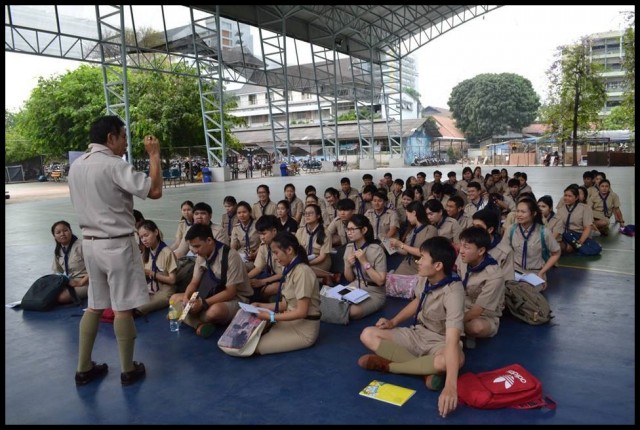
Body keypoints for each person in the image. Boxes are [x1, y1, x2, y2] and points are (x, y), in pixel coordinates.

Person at [68, 116, 162, 386]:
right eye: (123, 136)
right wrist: (154, 156)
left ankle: (83, 367)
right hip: (117, 244)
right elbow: (154, 191)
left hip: (90, 243)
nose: (124, 143)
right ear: (111, 138)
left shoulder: (76, 166)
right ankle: (128, 368)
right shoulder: (113, 165)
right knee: (122, 307)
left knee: (94, 305)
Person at [358, 236, 465, 418]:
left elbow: (453, 340)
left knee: (446, 362)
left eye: (423, 257)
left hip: (439, 341)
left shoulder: (454, 292)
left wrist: (450, 387)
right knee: (367, 334)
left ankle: (390, 367)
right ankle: (424, 373)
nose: (418, 261)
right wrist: (393, 322)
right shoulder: (426, 278)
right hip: (417, 333)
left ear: (438, 265)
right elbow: (418, 301)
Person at [170, 223, 253, 338]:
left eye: (197, 246)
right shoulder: (201, 255)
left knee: (214, 312)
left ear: (209, 240)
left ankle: (188, 317)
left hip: (235, 298)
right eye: (192, 247)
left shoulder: (230, 256)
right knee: (174, 298)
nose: (194, 251)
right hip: (211, 292)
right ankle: (198, 323)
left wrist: (203, 304)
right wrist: (186, 298)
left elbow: (230, 292)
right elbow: (194, 282)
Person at [251, 231, 321, 355]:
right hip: (289, 321)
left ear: (289, 250)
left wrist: (271, 317)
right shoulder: (290, 268)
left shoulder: (302, 272)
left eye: (276, 253)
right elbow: (284, 305)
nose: (275, 257)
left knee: (253, 348)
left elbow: (301, 312)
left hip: (302, 330)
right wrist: (260, 305)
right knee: (247, 339)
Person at [455, 226, 505, 349]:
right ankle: (459, 333)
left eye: (466, 247)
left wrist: (452, 322)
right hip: (460, 306)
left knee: (477, 328)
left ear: (481, 251)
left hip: (483, 314)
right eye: (461, 245)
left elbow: (478, 310)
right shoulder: (463, 259)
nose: (461, 251)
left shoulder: (494, 275)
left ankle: (459, 332)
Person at [502, 197, 561, 290]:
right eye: (518, 211)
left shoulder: (543, 232)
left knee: (527, 293)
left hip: (535, 272)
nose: (519, 215)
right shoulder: (511, 229)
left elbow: (556, 253)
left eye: (523, 212)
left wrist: (542, 273)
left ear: (533, 213)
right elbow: (503, 251)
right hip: (515, 271)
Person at [343, 215, 388, 320]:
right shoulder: (349, 248)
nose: (349, 232)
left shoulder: (376, 250)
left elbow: (381, 281)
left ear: (364, 230)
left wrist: (364, 262)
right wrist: (348, 266)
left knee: (352, 311)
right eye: (347, 229)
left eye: (352, 229)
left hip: (375, 291)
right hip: (355, 285)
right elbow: (349, 279)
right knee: (331, 299)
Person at [136, 219, 178, 316]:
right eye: (141, 237)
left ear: (156, 232)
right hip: (150, 286)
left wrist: (152, 273)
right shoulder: (146, 252)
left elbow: (172, 280)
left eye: (146, 235)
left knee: (139, 307)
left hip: (165, 290)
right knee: (125, 301)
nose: (144, 240)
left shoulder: (167, 253)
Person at [389, 201, 437, 275]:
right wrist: (394, 247)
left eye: (408, 215)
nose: (407, 218)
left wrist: (401, 244)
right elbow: (406, 251)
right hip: (407, 263)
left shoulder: (430, 229)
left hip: (420, 266)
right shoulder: (412, 230)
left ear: (414, 213)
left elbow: (422, 252)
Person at [50, 220, 89, 304]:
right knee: (49, 293)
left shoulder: (82, 245)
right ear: (54, 236)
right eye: (58, 232)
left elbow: (95, 267)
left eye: (65, 230)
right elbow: (57, 271)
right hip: (71, 281)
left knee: (61, 298)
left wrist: (80, 282)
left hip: (87, 282)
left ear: (70, 231)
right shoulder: (58, 250)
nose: (62, 234)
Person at [247, 215, 283, 301]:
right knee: (248, 283)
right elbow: (258, 268)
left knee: (271, 288)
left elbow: (284, 273)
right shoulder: (264, 246)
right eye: (260, 234)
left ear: (274, 231)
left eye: (264, 234)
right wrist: (245, 278)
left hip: (288, 278)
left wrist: (262, 282)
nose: (262, 237)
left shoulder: (284, 246)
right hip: (273, 275)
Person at [554, 186, 594, 255]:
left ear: (576, 198)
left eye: (570, 196)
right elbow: (557, 226)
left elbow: (587, 228)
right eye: (565, 195)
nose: (566, 198)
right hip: (564, 236)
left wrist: (579, 242)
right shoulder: (561, 209)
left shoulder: (585, 208)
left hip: (577, 237)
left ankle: (574, 248)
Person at [295, 203, 332, 275]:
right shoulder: (300, 231)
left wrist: (307, 264)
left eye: (311, 213)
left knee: (303, 270)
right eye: (305, 213)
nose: (307, 215)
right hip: (305, 260)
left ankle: (327, 275)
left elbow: (322, 257)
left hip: (321, 262)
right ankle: (326, 278)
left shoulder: (325, 232)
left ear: (318, 216)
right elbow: (296, 251)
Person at [230, 201, 260, 270]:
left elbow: (263, 243)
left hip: (257, 254)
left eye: (244, 212)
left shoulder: (257, 225)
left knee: (240, 268)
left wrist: (255, 254)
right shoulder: (236, 228)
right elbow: (233, 247)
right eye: (239, 213)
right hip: (242, 255)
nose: (241, 215)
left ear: (250, 212)